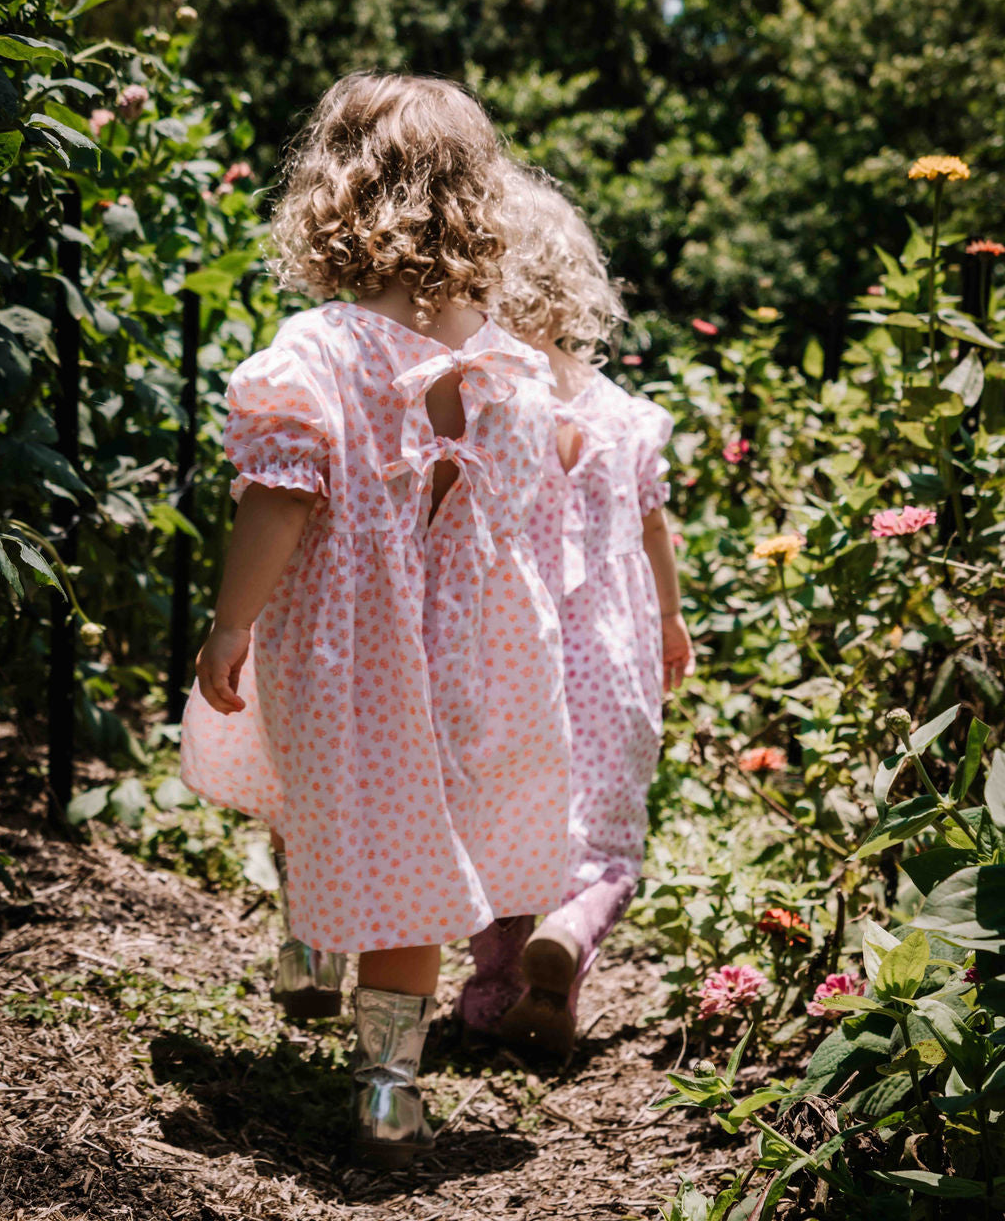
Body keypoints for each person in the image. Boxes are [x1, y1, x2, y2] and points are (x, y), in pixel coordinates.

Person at [180, 76, 571, 1163]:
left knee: (313, 783)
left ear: (338, 192)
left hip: (346, 649)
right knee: (412, 857)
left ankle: (309, 939)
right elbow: (513, 516)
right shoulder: (510, 369)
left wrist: (229, 625)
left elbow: (282, 499)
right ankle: (390, 1086)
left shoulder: (321, 351)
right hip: (464, 659)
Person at [457, 166, 694, 1059]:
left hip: (509, 641)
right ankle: (576, 930)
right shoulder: (626, 416)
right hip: (610, 647)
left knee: (503, 814)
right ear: (575, 290)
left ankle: (493, 993)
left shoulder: (484, 400)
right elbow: (651, 526)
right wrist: (672, 620)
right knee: (602, 827)